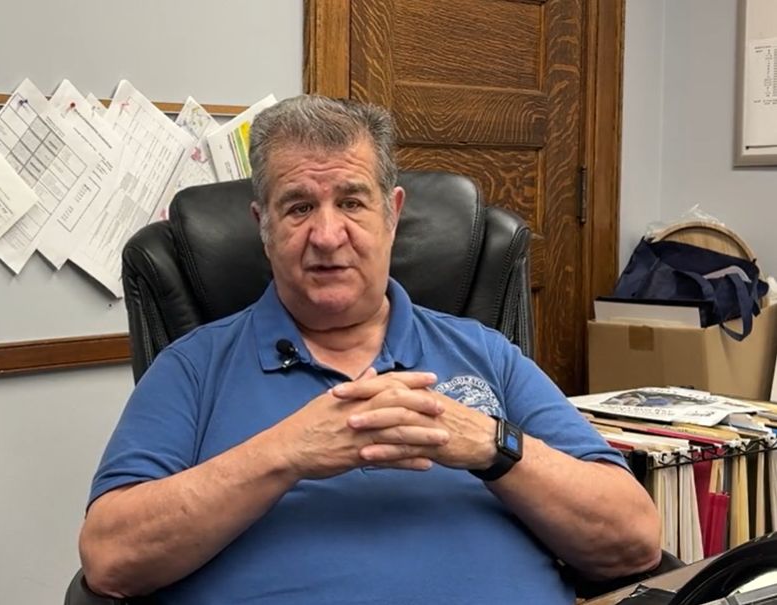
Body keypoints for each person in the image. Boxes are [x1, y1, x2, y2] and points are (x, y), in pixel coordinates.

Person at [79, 95, 661, 604]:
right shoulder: (192, 367)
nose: (328, 236)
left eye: (352, 202)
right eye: (298, 207)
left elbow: (633, 540)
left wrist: (489, 444)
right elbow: (110, 560)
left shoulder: (487, 354)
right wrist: (286, 452)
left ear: (392, 213)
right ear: (263, 225)